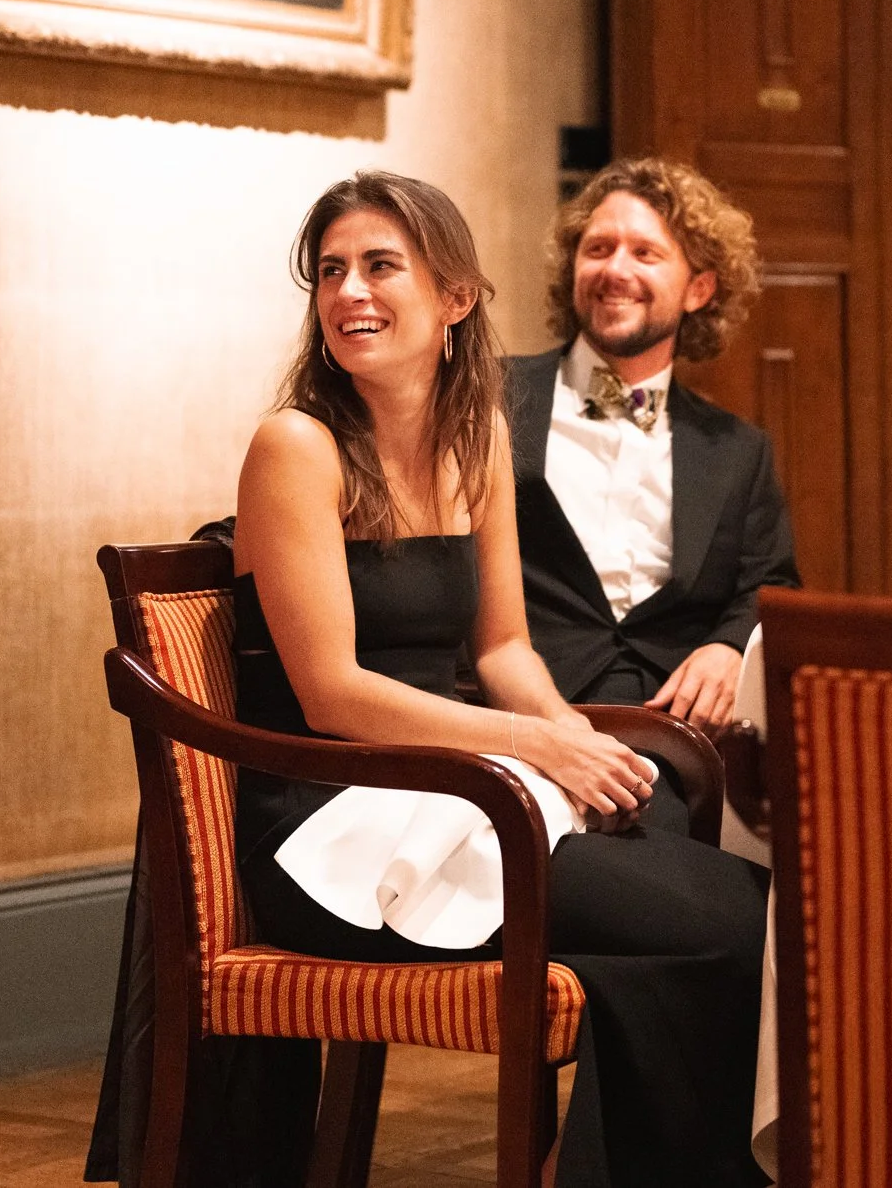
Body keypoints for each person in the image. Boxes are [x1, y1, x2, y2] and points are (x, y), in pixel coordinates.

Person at [233, 169, 770, 1188]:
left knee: (745, 904)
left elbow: (501, 651)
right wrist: (531, 747)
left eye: (381, 265)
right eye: (332, 271)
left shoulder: (474, 432)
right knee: (716, 926)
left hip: (454, 793)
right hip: (335, 825)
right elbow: (331, 694)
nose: (351, 291)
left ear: (454, 296)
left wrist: (575, 738)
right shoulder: (294, 445)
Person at [505, 158, 797, 734]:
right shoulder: (492, 400)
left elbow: (772, 584)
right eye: (598, 249)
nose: (616, 269)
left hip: (669, 727)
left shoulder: (737, 449)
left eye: (645, 253)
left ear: (699, 289)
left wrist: (730, 647)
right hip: (521, 719)